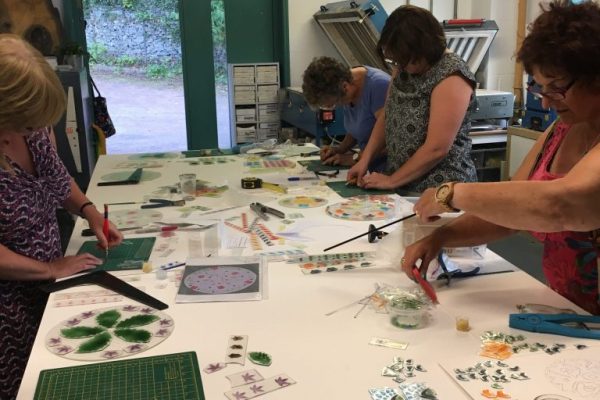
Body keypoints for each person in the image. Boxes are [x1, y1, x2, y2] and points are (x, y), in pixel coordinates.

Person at [402, 0, 600, 315]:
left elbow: (559, 205)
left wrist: (453, 193)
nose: (547, 104)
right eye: (541, 89)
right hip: (569, 312)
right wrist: (442, 237)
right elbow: (512, 211)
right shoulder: (561, 130)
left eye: (558, 89)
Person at [0, 34, 123, 398]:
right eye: (27, 124)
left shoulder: (33, 129)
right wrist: (50, 269)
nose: (37, 130)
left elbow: (57, 177)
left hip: (47, 284)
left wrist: (88, 212)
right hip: (8, 310)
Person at [347, 5, 478, 193]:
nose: (400, 66)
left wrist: (392, 181)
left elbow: (437, 148)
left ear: (424, 48)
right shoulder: (404, 66)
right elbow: (388, 115)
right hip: (403, 182)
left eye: (405, 60)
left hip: (440, 189)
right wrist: (364, 159)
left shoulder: (452, 75)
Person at [302, 56, 390, 172]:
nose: (336, 106)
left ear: (345, 87)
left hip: (389, 171)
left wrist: (353, 158)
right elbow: (359, 128)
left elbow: (393, 142)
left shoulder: (379, 86)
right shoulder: (345, 88)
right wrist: (339, 149)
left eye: (333, 103)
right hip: (368, 168)